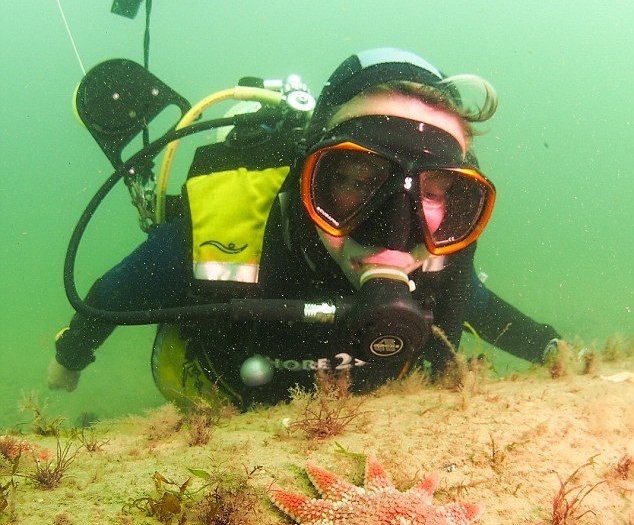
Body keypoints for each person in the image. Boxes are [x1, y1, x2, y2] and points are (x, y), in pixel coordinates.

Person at [48, 48, 560, 408]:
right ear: (304, 178)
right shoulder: (223, 227)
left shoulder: (440, 261)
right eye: (357, 179)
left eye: (434, 192)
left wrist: (552, 350)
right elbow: (112, 296)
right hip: (217, 401)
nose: (392, 231)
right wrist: (68, 359)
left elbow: (483, 309)